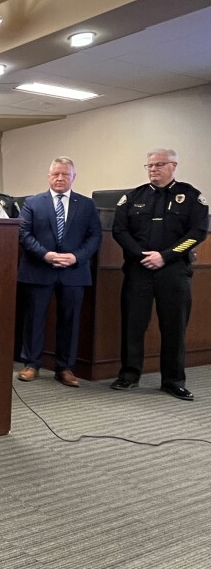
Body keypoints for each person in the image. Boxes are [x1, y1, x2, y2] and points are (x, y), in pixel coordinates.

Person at [110, 149, 208, 400]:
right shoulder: (133, 197)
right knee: (133, 323)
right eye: (149, 165)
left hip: (174, 271)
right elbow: (120, 231)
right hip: (138, 270)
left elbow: (197, 233)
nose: (153, 169)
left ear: (173, 165)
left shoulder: (190, 196)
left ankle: (173, 380)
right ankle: (129, 375)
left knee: (174, 326)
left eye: (159, 164)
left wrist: (165, 256)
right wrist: (142, 255)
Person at [16, 157, 102, 387]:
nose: (60, 178)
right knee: (34, 318)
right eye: (56, 174)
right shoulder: (32, 203)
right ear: (48, 176)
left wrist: (76, 257)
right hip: (38, 268)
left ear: (74, 177)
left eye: (65, 174)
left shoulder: (86, 204)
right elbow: (24, 234)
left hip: (74, 271)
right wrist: (46, 254)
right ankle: (31, 363)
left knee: (70, 320)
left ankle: (65, 367)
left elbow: (95, 236)